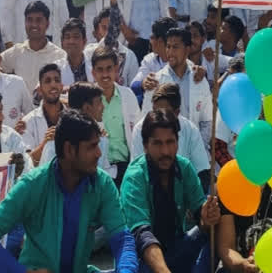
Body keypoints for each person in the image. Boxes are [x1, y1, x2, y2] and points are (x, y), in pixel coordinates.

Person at [0, 110, 139, 273]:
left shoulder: (102, 183)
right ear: (69, 150)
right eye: (92, 147)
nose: (99, 153)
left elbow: (122, 238)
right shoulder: (32, 184)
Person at [121, 109, 220, 273]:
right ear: (145, 146)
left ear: (177, 142)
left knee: (217, 232)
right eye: (158, 143)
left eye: (170, 142)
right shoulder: (135, 178)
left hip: (176, 247)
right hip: (144, 258)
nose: (165, 151)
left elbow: (200, 218)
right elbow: (142, 235)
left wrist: (208, 218)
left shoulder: (184, 167)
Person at [130, 83, 210, 189]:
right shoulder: (140, 129)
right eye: (155, 111)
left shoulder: (190, 129)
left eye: (170, 142)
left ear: (177, 112)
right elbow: (137, 174)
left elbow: (202, 172)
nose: (159, 117)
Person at [143, 28, 213, 149]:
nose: (170, 52)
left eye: (175, 47)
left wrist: (198, 147)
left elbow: (206, 121)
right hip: (165, 150)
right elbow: (146, 119)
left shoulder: (199, 79)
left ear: (187, 49)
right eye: (168, 46)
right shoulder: (155, 81)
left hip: (194, 149)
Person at [39, 82, 116, 178]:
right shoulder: (54, 143)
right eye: (99, 102)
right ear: (87, 108)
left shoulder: (102, 140)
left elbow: (104, 175)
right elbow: (46, 178)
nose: (103, 107)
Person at [91, 45, 140, 186]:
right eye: (100, 70)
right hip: (98, 167)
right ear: (93, 72)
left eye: (109, 69)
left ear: (116, 70)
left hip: (126, 167)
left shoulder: (128, 95)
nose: (105, 74)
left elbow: (137, 132)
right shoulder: (88, 98)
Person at [1, 1, 67, 94]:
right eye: (29, 20)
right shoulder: (16, 52)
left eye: (39, 20)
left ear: (47, 24)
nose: (34, 25)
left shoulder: (59, 55)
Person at [22, 63, 65, 165]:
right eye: (48, 81)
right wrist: (45, 144)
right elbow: (27, 162)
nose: (53, 85)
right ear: (40, 90)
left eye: (57, 80)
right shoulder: (28, 121)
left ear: (62, 87)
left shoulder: (74, 116)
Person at [59, 18, 93, 85]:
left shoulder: (95, 66)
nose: (71, 41)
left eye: (76, 37)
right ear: (62, 43)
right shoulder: (56, 68)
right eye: (67, 37)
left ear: (84, 41)